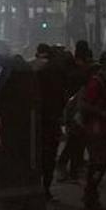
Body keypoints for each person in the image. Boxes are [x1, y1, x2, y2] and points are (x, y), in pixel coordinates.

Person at [78, 52, 106, 210]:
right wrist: (103, 113)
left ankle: (91, 192)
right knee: (99, 161)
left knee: (102, 160)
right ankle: (90, 192)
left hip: (105, 127)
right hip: (97, 128)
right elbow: (85, 105)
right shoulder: (97, 83)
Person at [32, 44, 69, 200]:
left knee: (36, 154)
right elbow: (62, 96)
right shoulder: (56, 71)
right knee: (49, 155)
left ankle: (35, 186)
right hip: (51, 119)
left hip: (35, 120)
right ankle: (45, 188)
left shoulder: (33, 68)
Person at [55, 39, 93, 182]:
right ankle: (67, 166)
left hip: (72, 107)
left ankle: (73, 169)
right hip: (76, 107)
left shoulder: (71, 68)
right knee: (76, 140)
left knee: (78, 139)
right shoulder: (81, 70)